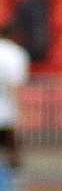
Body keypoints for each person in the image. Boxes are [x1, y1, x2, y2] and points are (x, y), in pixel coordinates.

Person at [0, 23, 29, 186]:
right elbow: (14, 85)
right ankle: (14, 181)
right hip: (5, 113)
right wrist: (20, 111)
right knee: (12, 148)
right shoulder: (15, 53)